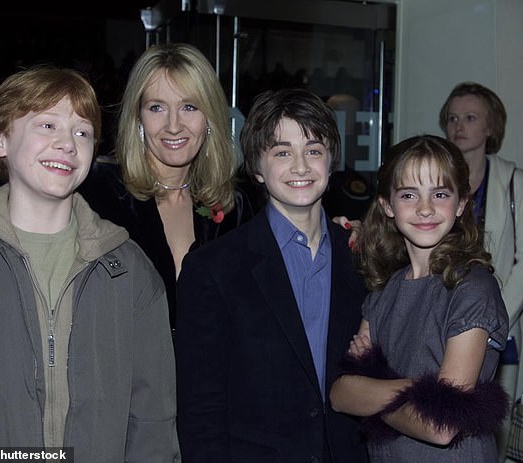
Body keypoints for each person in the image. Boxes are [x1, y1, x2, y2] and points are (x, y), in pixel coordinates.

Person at [0, 66, 179, 460]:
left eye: (82, 132)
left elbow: (153, 429)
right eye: (46, 125)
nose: (67, 144)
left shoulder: (130, 272)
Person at [0, 42, 254, 329]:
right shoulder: (98, 189)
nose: (174, 125)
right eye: (157, 107)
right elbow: (10, 214)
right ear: (138, 119)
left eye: (190, 107)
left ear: (210, 118)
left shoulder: (237, 207)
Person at [175, 88, 369, 462]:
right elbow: (201, 410)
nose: (300, 166)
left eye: (314, 150)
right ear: (256, 168)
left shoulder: (362, 257)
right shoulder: (214, 269)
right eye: (282, 152)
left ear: (331, 162)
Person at [329, 135, 510, 462]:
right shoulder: (384, 291)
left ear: (460, 204)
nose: (425, 208)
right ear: (387, 205)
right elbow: (341, 394)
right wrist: (418, 390)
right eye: (409, 194)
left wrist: (371, 393)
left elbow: (440, 426)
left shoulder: (472, 288)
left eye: (440, 194)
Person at [439, 82, 523, 460]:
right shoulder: (437, 181)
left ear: (491, 127)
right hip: (442, 320)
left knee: (493, 432)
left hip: (501, 329)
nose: (459, 125)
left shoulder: (513, 182)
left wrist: (493, 314)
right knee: (445, 422)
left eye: (470, 118)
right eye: (453, 118)